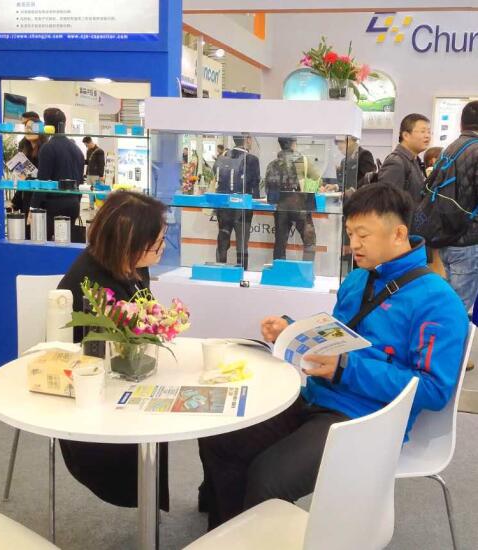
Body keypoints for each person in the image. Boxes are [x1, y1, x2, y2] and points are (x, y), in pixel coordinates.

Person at [198, 184, 468, 531]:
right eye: (350, 233)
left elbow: (433, 390)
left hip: (366, 419)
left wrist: (346, 369)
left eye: (363, 235)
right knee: (223, 437)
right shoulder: (357, 279)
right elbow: (339, 337)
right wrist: (291, 330)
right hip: (316, 398)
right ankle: (228, 532)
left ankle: (247, 532)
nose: (353, 244)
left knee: (268, 478)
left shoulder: (438, 302)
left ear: (399, 234)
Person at [57, 190, 170, 510]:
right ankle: (144, 498)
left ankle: (153, 497)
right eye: (156, 243)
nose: (162, 249)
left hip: (129, 373)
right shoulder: (91, 284)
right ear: (129, 243)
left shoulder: (131, 266)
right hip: (93, 396)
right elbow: (100, 354)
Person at [437, 101, 478, 314]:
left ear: (462, 123)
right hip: (468, 240)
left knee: (450, 302)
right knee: (459, 310)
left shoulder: (450, 148)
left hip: (447, 236)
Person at [30, 108, 85, 240]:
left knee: (48, 244)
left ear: (47, 126)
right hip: (73, 204)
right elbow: (80, 181)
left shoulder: (48, 148)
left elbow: (42, 181)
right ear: (64, 124)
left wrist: (33, 207)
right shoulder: (77, 149)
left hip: (53, 205)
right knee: (66, 242)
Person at [264, 137, 317, 261]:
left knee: (280, 243)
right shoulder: (303, 162)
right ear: (293, 144)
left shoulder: (272, 165)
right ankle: (306, 269)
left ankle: (280, 270)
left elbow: (268, 190)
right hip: (301, 207)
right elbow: (316, 182)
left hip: (281, 208)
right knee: (309, 241)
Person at [214, 135, 260, 270]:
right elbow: (255, 185)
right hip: (242, 208)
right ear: (248, 139)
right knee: (242, 244)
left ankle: (220, 270)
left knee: (223, 240)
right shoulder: (252, 160)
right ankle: (241, 273)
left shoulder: (222, 157)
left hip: (223, 207)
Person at [378, 113, 431, 204]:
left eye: (429, 132)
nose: (427, 136)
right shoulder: (396, 162)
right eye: (423, 131)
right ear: (406, 135)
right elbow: (388, 203)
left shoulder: (414, 160)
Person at [12, 113, 48, 219]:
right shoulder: (25, 150)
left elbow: (44, 178)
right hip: (27, 197)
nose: (28, 130)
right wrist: (15, 201)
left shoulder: (46, 150)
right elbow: (23, 180)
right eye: (27, 127)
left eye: (32, 127)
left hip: (41, 200)